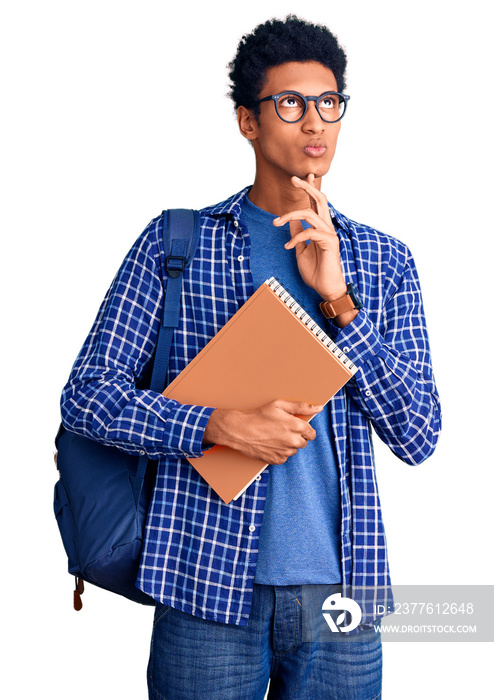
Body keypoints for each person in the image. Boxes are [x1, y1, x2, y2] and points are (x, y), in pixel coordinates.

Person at [60, 15, 441, 700]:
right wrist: (218, 424)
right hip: (204, 582)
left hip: (341, 594)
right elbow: (87, 394)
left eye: (329, 103)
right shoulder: (178, 242)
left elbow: (418, 434)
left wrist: (340, 303)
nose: (315, 123)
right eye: (290, 104)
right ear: (247, 121)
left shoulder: (383, 262)